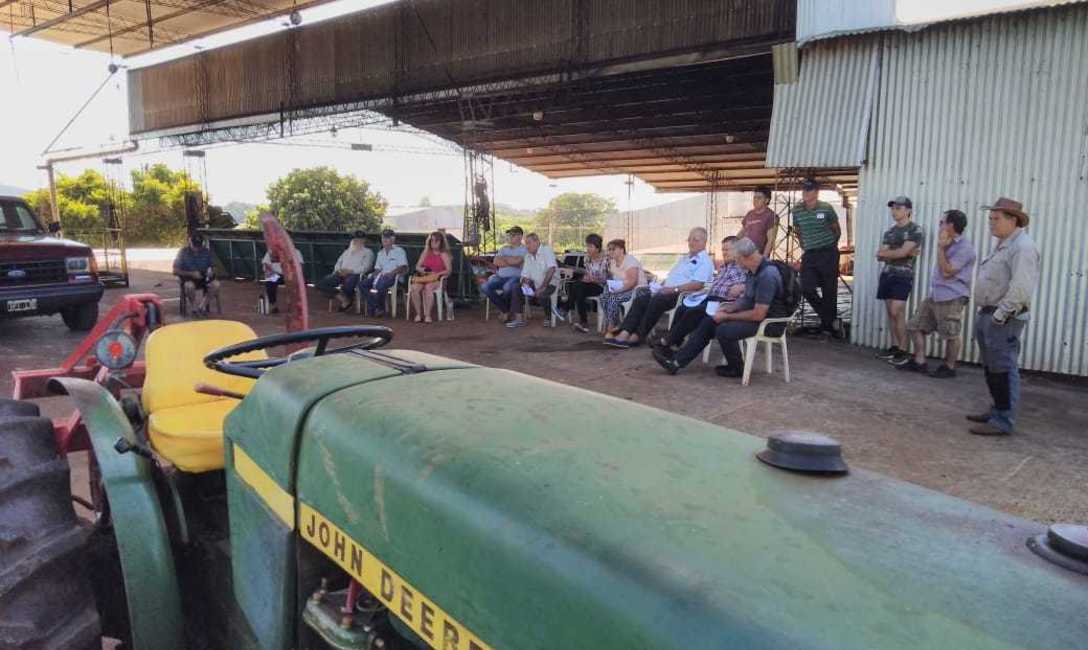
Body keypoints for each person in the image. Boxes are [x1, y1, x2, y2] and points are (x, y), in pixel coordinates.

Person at [653, 238, 785, 378]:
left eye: (737, 260)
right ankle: (677, 362)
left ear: (746, 257)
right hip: (757, 315)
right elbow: (747, 299)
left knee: (723, 329)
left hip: (770, 322)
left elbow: (759, 314)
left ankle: (737, 368)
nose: (737, 265)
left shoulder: (767, 275)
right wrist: (731, 307)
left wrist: (728, 316)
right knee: (710, 321)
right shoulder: (754, 271)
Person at [966, 198, 1040, 436]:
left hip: (1003, 318)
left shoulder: (1023, 247)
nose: (991, 223)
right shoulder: (1004, 244)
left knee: (1003, 368)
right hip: (989, 313)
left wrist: (1001, 315)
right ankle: (997, 409)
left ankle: (1003, 420)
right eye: (990, 218)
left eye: (996, 219)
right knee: (992, 367)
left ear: (1012, 220)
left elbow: (1021, 287)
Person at [894, 210, 976, 377]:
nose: (939, 226)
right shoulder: (948, 243)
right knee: (915, 325)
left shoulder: (965, 248)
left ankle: (949, 367)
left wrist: (940, 248)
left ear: (951, 225)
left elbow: (947, 271)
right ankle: (920, 361)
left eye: (942, 222)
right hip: (936, 294)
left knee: (951, 333)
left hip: (952, 296)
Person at [606, 227, 713, 348]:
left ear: (704, 242)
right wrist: (660, 286)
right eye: (689, 239)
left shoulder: (704, 261)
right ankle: (625, 332)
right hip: (667, 290)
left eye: (696, 240)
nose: (691, 242)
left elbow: (697, 284)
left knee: (657, 301)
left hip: (683, 295)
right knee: (641, 299)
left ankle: (638, 335)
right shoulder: (686, 257)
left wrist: (673, 289)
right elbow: (673, 276)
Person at [654, 236, 747, 354]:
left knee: (693, 312)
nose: (724, 253)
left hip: (723, 303)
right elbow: (714, 285)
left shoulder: (741, 267)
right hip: (711, 299)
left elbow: (749, 284)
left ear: (737, 250)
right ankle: (672, 344)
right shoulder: (724, 267)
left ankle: (668, 341)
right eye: (723, 250)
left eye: (727, 250)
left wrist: (743, 286)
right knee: (682, 309)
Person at [875, 196, 924, 363]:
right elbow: (880, 255)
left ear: (908, 210)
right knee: (891, 313)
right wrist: (902, 252)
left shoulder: (915, 230)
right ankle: (895, 347)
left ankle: (903, 350)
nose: (894, 211)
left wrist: (900, 253)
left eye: (898, 208)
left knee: (897, 310)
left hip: (903, 275)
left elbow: (901, 253)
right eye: (893, 208)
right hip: (888, 274)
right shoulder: (889, 232)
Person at [792, 179, 841, 339]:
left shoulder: (826, 208)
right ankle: (830, 319)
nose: (805, 193)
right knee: (805, 287)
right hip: (810, 253)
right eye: (804, 190)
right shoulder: (797, 210)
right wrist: (805, 244)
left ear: (816, 192)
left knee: (829, 290)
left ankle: (827, 327)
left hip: (828, 253)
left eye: (809, 190)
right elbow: (797, 230)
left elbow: (836, 230)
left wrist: (829, 245)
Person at [554, 233, 608, 333]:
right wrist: (586, 278)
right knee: (578, 287)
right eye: (587, 246)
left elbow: (608, 279)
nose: (588, 249)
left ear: (597, 247)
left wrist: (593, 280)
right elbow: (588, 273)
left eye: (590, 246)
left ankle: (567, 310)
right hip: (591, 285)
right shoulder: (587, 258)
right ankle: (583, 322)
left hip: (603, 287)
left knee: (578, 287)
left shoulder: (606, 259)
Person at [506, 233, 559, 328]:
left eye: (529, 243)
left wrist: (542, 287)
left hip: (550, 283)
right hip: (535, 284)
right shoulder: (528, 256)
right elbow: (525, 275)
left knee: (542, 294)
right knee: (516, 287)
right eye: (526, 243)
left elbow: (551, 270)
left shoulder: (546, 250)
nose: (527, 246)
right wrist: (525, 284)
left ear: (537, 242)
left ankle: (549, 316)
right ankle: (519, 320)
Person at [316, 232, 375, 312]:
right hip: (340, 273)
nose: (356, 241)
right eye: (355, 239)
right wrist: (339, 270)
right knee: (321, 284)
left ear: (364, 240)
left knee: (349, 283)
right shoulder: (347, 251)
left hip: (355, 275)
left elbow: (366, 267)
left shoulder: (368, 252)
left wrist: (350, 271)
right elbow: (338, 262)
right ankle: (343, 298)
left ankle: (347, 301)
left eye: (359, 239)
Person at [599, 239, 646, 335]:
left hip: (637, 290)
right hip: (622, 288)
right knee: (603, 297)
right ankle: (615, 323)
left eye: (613, 249)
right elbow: (612, 278)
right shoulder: (612, 262)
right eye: (609, 249)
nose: (610, 252)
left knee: (613, 298)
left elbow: (632, 282)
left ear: (621, 250)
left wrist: (618, 291)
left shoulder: (630, 261)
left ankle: (611, 326)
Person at [480, 226, 527, 322]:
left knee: (507, 287)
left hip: (516, 277)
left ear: (520, 237)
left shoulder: (524, 249)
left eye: (512, 235)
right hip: (500, 277)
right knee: (484, 287)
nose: (509, 237)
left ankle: (504, 311)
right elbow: (496, 262)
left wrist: (505, 259)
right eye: (509, 235)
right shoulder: (503, 248)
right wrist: (512, 261)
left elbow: (518, 262)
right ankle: (505, 310)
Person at [359, 229, 409, 317]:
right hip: (381, 276)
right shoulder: (380, 253)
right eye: (383, 237)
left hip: (394, 277)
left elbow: (403, 267)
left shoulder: (399, 251)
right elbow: (378, 269)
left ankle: (376, 308)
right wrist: (372, 276)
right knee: (362, 284)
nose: (385, 239)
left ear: (393, 239)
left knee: (380, 284)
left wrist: (391, 273)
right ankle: (378, 307)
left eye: (388, 237)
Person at [408, 231, 453, 323]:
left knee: (428, 288)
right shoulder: (426, 252)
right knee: (414, 288)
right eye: (432, 240)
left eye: (436, 240)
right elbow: (417, 266)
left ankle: (427, 315)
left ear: (441, 242)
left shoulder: (444, 254)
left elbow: (448, 270)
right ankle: (418, 314)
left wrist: (436, 274)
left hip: (438, 279)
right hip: (424, 277)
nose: (434, 242)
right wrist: (424, 270)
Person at [173, 233, 220, 316]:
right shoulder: (183, 252)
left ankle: (202, 306)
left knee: (216, 284)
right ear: (189, 242)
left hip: (204, 278)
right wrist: (191, 274)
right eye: (194, 245)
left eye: (199, 245)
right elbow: (175, 271)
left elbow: (214, 266)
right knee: (189, 286)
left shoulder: (206, 252)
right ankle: (194, 307)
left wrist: (211, 271)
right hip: (188, 278)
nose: (196, 248)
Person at [260, 244, 304, 314]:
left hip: (290, 275)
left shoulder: (296, 252)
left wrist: (293, 274)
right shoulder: (271, 252)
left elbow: (300, 266)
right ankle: (273, 305)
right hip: (276, 274)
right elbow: (266, 264)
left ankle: (292, 306)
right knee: (270, 282)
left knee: (293, 284)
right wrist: (270, 272)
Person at [738, 186, 778, 257]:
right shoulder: (749, 214)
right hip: (744, 255)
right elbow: (742, 232)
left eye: (759, 198)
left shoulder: (771, 216)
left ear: (767, 200)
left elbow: (771, 240)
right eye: (754, 197)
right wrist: (733, 247)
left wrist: (764, 259)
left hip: (758, 257)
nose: (755, 200)